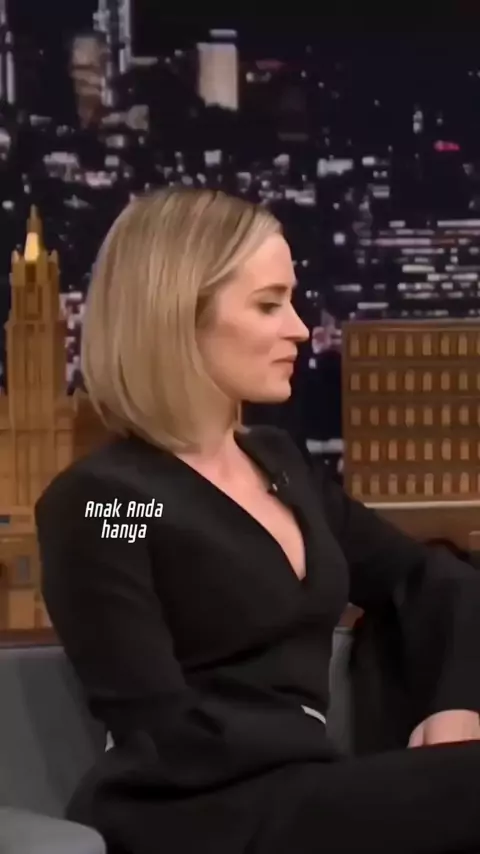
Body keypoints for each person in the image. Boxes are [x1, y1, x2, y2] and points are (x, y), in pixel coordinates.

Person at [35, 187, 480, 854]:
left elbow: (432, 577)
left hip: (311, 794)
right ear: (179, 318)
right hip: (190, 813)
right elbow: (155, 718)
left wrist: (455, 706)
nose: (300, 328)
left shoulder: (282, 466)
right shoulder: (109, 501)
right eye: (269, 305)